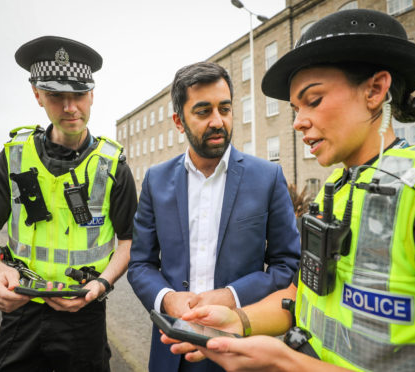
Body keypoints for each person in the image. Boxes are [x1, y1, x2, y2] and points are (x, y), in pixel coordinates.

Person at [162, 9, 415, 371]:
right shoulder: (334, 192)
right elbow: (307, 296)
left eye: (313, 100)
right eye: (295, 108)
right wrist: (237, 319)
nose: (298, 122)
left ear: (375, 89)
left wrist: (288, 363)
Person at [0, 36, 137, 371]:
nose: (70, 107)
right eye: (57, 95)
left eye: (79, 95)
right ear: (37, 94)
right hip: (21, 308)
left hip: (85, 312)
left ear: (92, 94)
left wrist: (100, 284)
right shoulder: (14, 156)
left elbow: (130, 241)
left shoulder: (113, 164)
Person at [127, 61, 301, 372]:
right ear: (179, 122)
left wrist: (231, 296)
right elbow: (140, 263)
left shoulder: (268, 177)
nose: (217, 121)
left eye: (225, 108)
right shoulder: (156, 180)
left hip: (242, 348)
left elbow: (287, 264)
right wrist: (167, 299)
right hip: (172, 349)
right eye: (203, 111)